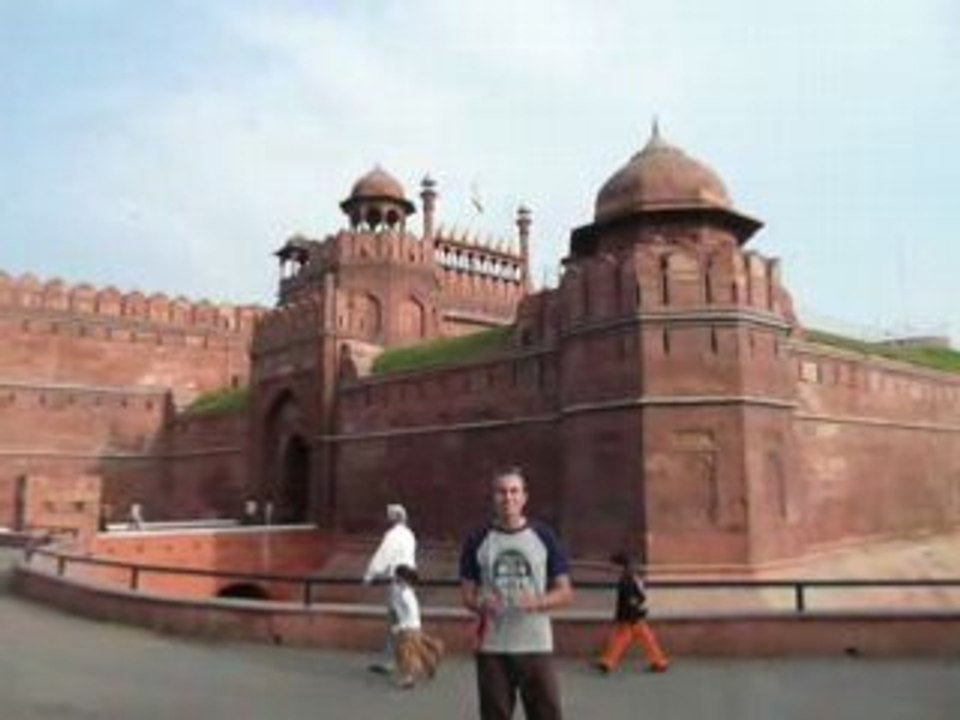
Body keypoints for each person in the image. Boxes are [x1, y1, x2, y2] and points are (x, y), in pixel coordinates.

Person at [460, 467, 574, 720]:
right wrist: (481, 603)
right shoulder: (478, 539)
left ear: (524, 497)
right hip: (493, 648)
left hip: (535, 644)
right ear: (494, 497)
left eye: (514, 491)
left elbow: (565, 592)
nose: (508, 497)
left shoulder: (544, 536)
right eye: (502, 492)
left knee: (547, 714)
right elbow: (467, 595)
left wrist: (537, 601)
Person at [594, 551, 669, 674]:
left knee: (624, 638)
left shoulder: (626, 580)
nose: (611, 570)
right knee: (643, 638)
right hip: (633, 614)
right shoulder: (632, 578)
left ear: (620, 566)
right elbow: (639, 596)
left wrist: (631, 612)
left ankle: (608, 662)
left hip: (630, 615)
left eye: (613, 566)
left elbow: (632, 598)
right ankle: (659, 661)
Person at [363, 503, 417, 673]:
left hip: (398, 581)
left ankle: (403, 663)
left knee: (400, 623)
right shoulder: (409, 535)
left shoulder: (392, 536)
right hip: (408, 579)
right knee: (402, 622)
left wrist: (369, 575)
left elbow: (383, 556)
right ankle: (395, 660)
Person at [389, 564, 444, 688]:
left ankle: (410, 678)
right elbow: (397, 606)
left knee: (407, 651)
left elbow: (412, 612)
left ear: (403, 578)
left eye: (397, 576)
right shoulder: (400, 589)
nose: (395, 578)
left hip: (409, 626)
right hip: (411, 626)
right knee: (416, 649)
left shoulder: (406, 593)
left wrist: (400, 626)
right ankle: (432, 658)